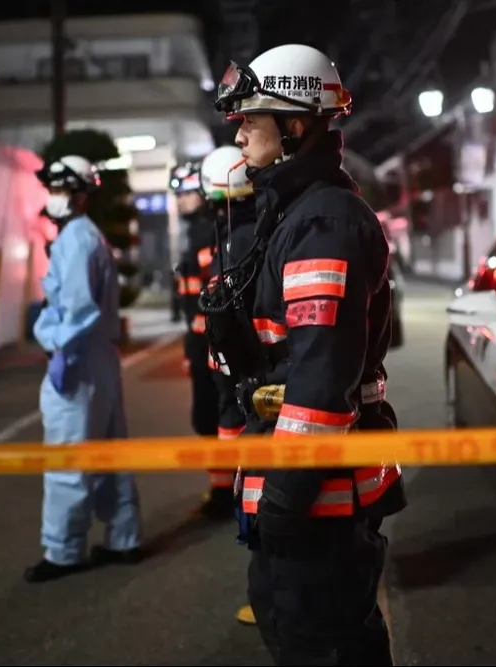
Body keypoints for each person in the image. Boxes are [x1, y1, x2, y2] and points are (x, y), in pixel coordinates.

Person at [204, 44, 408, 665]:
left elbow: (320, 385)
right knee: (298, 628)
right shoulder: (291, 211)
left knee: (320, 645)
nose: (238, 131)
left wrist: (285, 502)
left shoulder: (325, 221)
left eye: (251, 119)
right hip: (301, 490)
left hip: (318, 500)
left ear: (295, 125)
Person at [25, 155, 143, 584]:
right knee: (111, 452)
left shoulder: (74, 240)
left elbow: (75, 309)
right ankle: (123, 537)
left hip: (76, 358)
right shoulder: (88, 236)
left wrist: (57, 348)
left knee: (68, 456)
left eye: (58, 190)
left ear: (77, 194)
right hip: (100, 358)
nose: (53, 198)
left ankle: (63, 550)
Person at [198, 144, 261, 627]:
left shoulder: (238, 239)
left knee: (266, 498)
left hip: (255, 381)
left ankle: (275, 600)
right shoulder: (257, 224)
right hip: (251, 375)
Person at [170, 159, 231, 518]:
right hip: (200, 336)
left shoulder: (206, 231)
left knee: (214, 414)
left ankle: (225, 489)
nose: (180, 200)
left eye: (186, 192)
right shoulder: (197, 230)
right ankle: (223, 485)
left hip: (207, 337)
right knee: (210, 415)